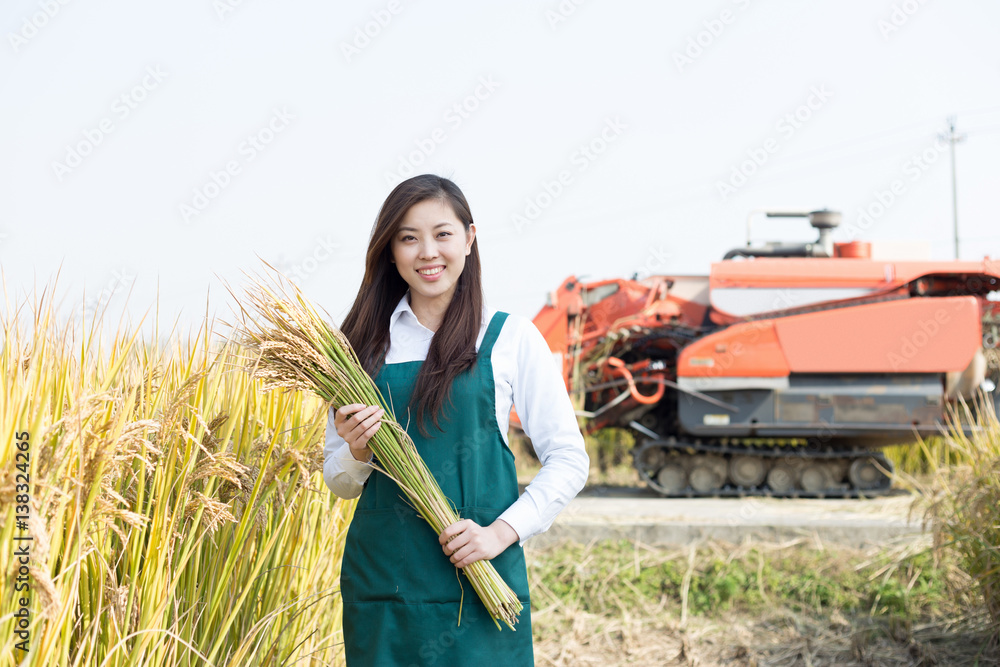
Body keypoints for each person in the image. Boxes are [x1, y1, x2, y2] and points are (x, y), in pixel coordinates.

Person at [323, 173, 589, 666]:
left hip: (482, 580)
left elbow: (569, 459)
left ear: (469, 237)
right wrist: (358, 452)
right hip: (386, 588)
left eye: (442, 234)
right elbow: (338, 482)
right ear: (390, 251)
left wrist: (500, 533)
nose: (428, 252)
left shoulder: (509, 338)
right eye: (408, 238)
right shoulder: (360, 346)